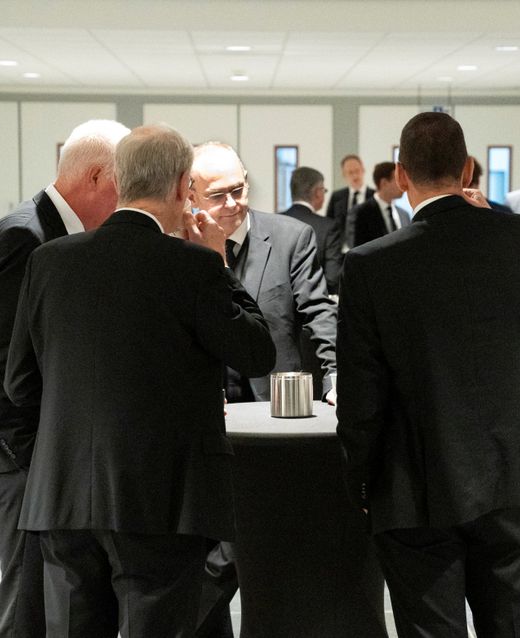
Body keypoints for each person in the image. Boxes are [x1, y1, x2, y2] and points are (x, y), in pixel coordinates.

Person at [3, 123, 276, 637]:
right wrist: (220, 262)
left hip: (63, 499)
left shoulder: (49, 262)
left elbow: (18, 385)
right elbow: (256, 351)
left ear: (122, 181)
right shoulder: (193, 266)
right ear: (181, 188)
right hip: (163, 502)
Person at [337, 111, 520, 637]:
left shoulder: (372, 263)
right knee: (510, 623)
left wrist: (358, 478)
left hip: (414, 476)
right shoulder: (517, 235)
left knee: (431, 628)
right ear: (467, 171)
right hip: (507, 465)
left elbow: (361, 390)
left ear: (401, 175)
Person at [0, 119, 129, 638]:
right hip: (15, 453)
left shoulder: (56, 232)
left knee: (50, 597)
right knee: (28, 602)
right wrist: (32, 458)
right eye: (124, 184)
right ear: (96, 177)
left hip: (35, 450)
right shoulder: (26, 235)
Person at [189, 142, 337, 636]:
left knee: (268, 551)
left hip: (275, 418)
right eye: (218, 195)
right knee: (210, 555)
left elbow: (318, 312)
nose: (232, 203)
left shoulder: (290, 237)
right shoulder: (179, 243)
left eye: (239, 189)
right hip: (208, 421)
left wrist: (335, 374)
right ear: (191, 196)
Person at [280, 166, 343, 294]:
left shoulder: (274, 221)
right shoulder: (328, 227)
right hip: (313, 305)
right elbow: (332, 278)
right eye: (324, 190)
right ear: (318, 192)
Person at [351, 161, 410, 247]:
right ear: (384, 183)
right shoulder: (362, 212)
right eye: (398, 179)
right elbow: (359, 251)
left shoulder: (404, 215)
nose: (403, 184)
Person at [326, 154, 374, 250]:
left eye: (357, 171)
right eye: (350, 172)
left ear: (363, 170)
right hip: (342, 252)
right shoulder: (336, 197)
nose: (355, 176)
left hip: (369, 249)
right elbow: (329, 223)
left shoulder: (375, 195)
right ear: (344, 175)